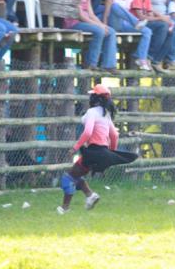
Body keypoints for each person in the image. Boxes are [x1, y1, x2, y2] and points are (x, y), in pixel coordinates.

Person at [57, 84, 138, 214]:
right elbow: (114, 135)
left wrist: (75, 147)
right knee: (77, 176)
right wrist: (110, 154)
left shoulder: (92, 112)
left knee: (68, 178)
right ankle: (90, 195)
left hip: (93, 152)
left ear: (94, 98)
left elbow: (88, 132)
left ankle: (64, 209)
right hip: (103, 152)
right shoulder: (106, 115)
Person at [63, 0, 117, 72]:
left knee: (111, 31)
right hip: (74, 23)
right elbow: (81, 16)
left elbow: (91, 14)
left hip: (86, 23)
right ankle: (91, 63)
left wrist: (102, 24)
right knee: (99, 31)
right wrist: (99, 26)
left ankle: (109, 65)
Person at [101, 0, 152, 71]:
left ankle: (141, 58)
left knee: (147, 31)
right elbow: (106, 13)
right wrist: (104, 26)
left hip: (125, 24)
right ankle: (136, 22)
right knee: (115, 6)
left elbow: (127, 13)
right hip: (113, 23)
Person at [131, 0, 175, 73]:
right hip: (136, 24)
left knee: (170, 32)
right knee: (163, 25)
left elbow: (150, 14)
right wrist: (160, 18)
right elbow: (140, 17)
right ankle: (149, 57)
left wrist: (160, 18)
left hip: (146, 23)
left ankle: (156, 61)